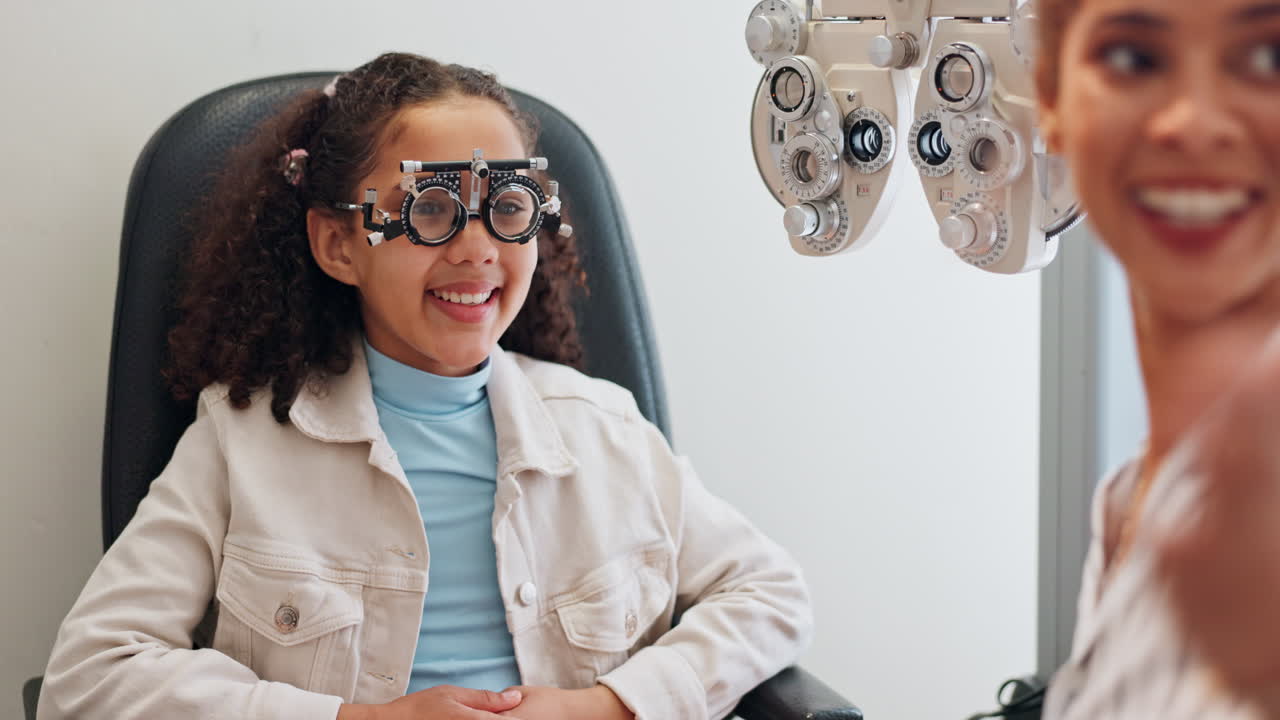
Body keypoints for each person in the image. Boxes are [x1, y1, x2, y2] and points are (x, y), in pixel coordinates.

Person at [37, 52, 812, 720]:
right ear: (340, 243)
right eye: (432, 210)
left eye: (507, 208)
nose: (478, 251)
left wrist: (610, 704)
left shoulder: (605, 428)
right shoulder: (242, 443)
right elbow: (91, 675)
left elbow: (770, 596)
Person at [1033, 0, 1280, 717]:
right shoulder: (1129, 496)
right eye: (1135, 57)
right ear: (1050, 98)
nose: (1192, 122)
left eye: (1268, 58)